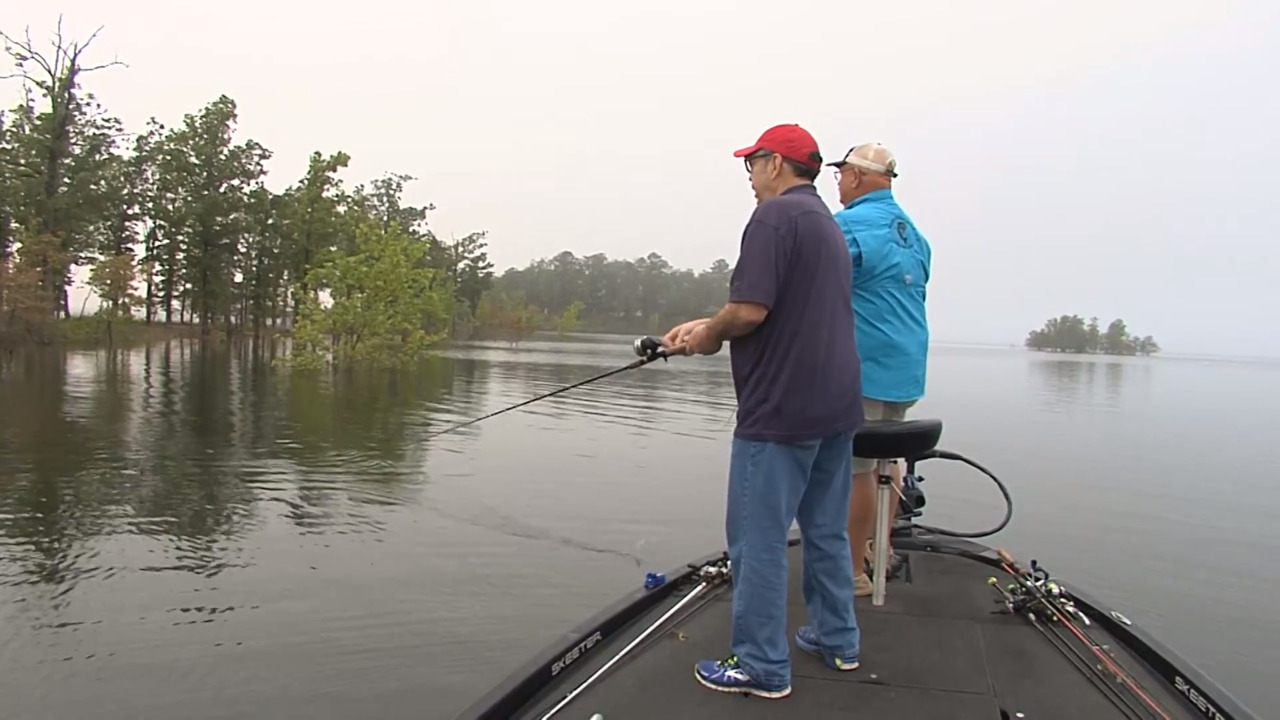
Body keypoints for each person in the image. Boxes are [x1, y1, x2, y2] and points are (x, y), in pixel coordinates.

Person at [662, 123, 866, 699]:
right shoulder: (826, 222)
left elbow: (749, 311)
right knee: (825, 529)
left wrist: (708, 337)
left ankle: (760, 664)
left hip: (781, 409)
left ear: (776, 164)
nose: (749, 177)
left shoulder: (774, 218)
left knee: (758, 539)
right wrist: (710, 325)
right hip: (837, 403)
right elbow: (779, 310)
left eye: (752, 164)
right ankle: (837, 641)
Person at [827, 142, 932, 598]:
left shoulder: (848, 226)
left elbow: (815, 284)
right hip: (907, 368)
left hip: (866, 365)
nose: (837, 183)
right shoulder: (914, 234)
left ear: (855, 176)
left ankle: (851, 572)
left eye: (840, 174)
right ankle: (878, 550)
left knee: (857, 468)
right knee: (886, 464)